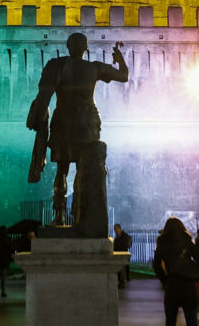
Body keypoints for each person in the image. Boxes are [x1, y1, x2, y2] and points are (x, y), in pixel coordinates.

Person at [26, 32, 129, 235]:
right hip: (87, 124)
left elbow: (44, 93)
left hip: (63, 122)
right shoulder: (94, 68)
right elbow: (124, 76)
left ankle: (59, 215)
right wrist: (121, 59)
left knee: (61, 170)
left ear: (68, 46)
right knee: (85, 170)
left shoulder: (57, 66)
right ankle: (80, 214)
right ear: (86, 48)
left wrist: (38, 115)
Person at [112, 223, 133, 289]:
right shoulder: (122, 236)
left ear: (119, 228)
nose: (115, 230)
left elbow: (122, 245)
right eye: (115, 229)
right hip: (122, 254)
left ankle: (122, 282)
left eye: (116, 229)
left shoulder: (122, 236)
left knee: (121, 268)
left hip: (122, 254)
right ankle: (123, 281)